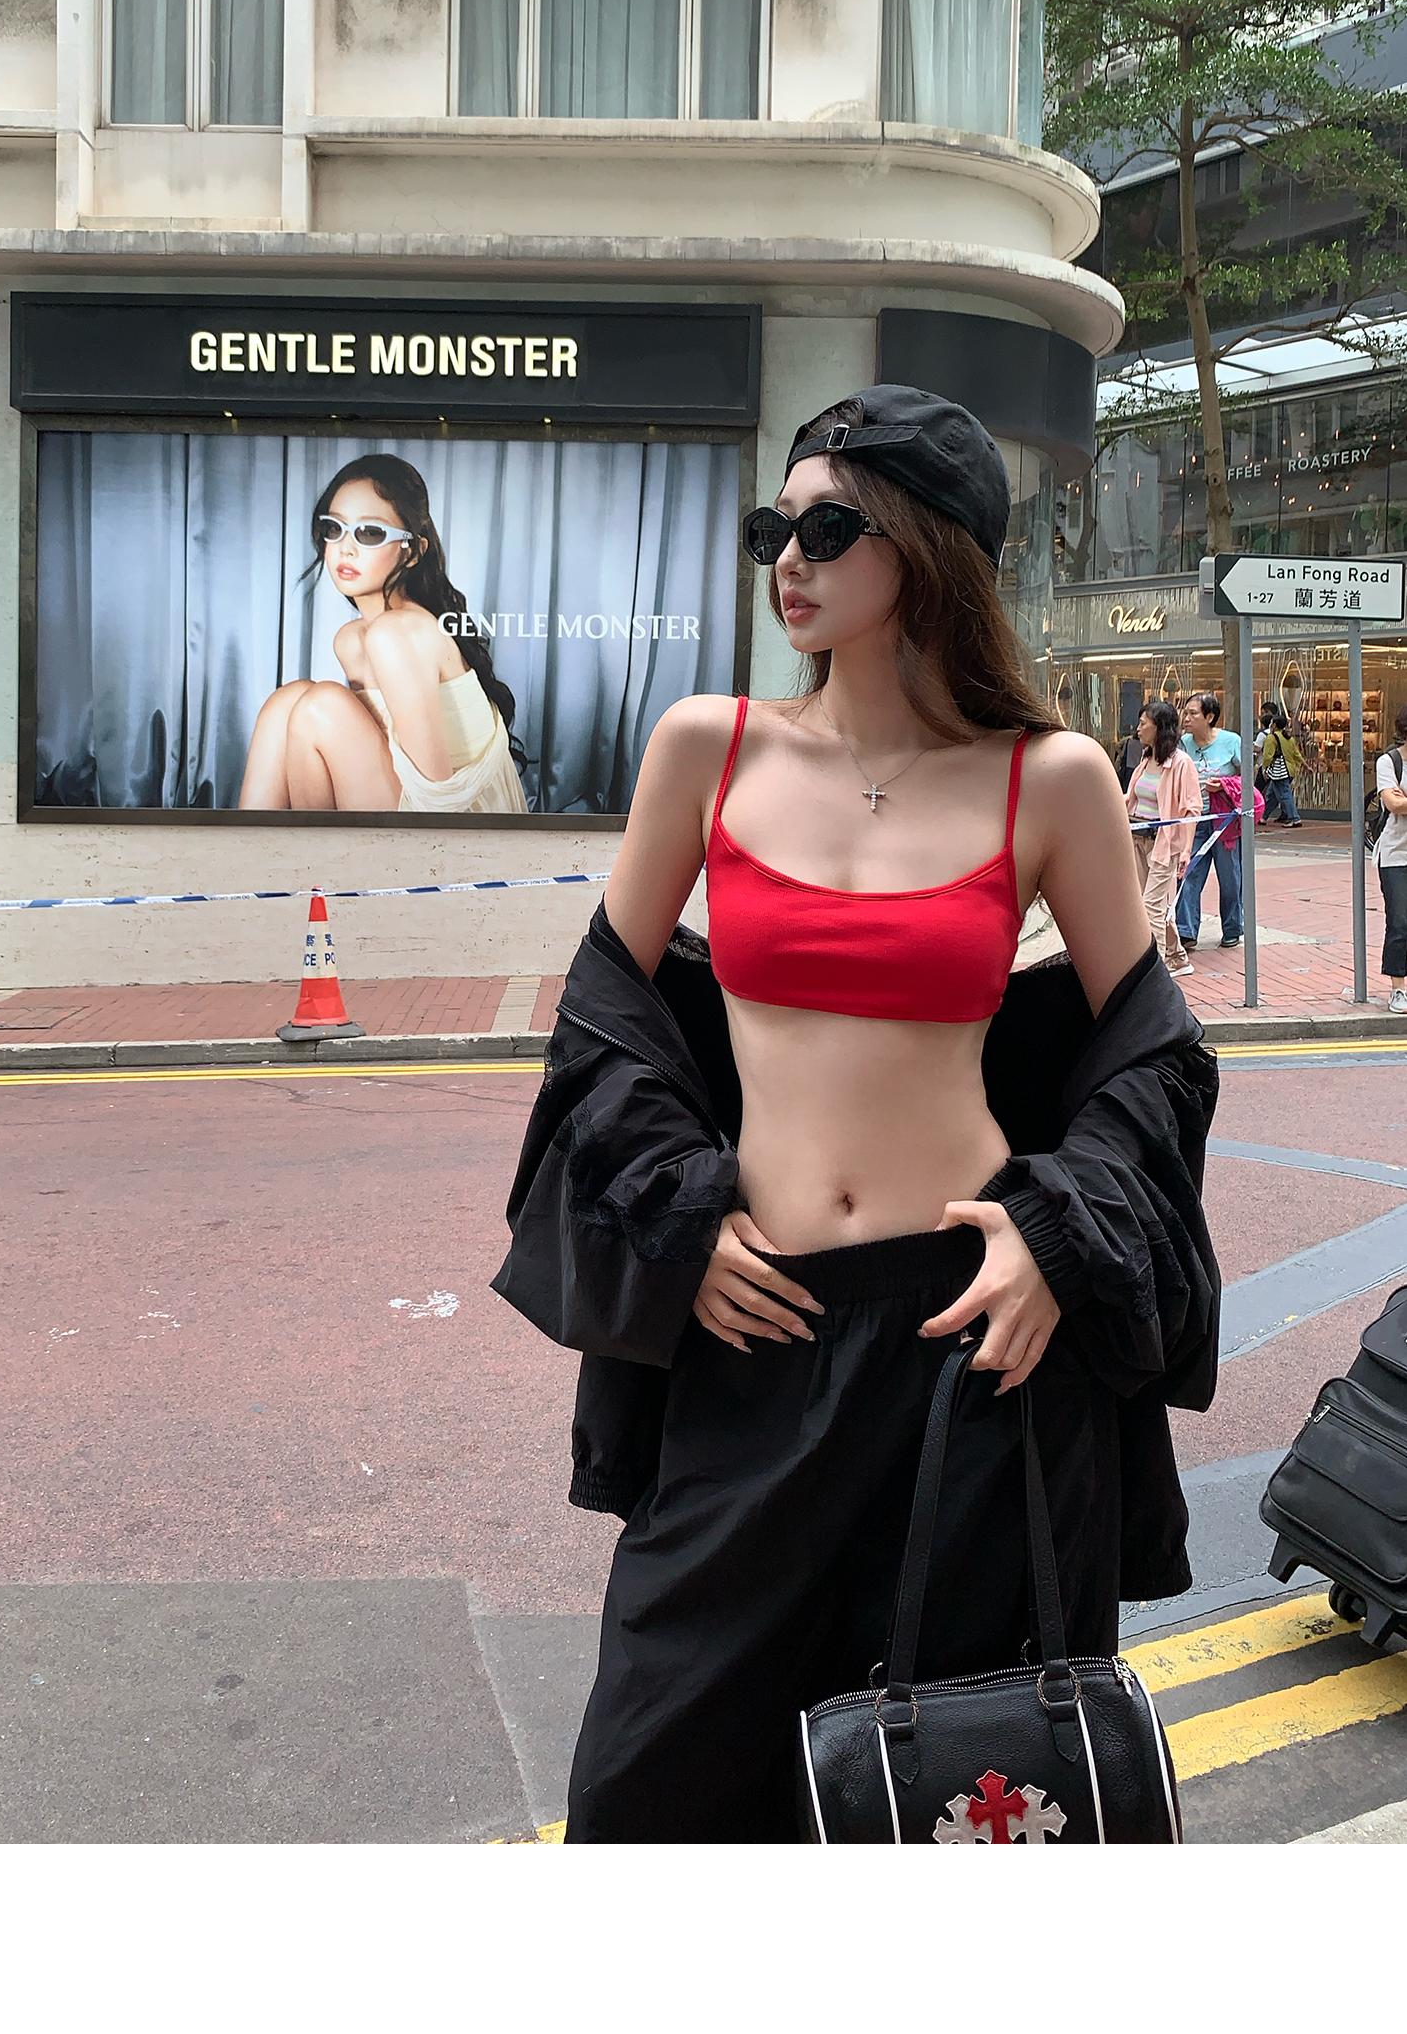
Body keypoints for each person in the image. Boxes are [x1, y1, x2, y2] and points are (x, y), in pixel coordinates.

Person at [494, 385, 1222, 1842]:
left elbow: (1155, 1057)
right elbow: (601, 1022)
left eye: (828, 529)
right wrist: (679, 1216)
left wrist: (1054, 1236)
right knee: (652, 1779)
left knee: (954, 1786)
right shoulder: (707, 747)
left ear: (929, 546)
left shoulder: (1051, 778)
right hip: (755, 1321)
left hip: (974, 1340)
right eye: (775, 528)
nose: (789, 559)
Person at [238, 454, 527, 814]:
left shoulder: (397, 634)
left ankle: (306, 849)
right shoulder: (353, 639)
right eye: (334, 528)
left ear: (412, 552)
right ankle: (253, 848)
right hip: (400, 814)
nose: (345, 548)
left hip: (454, 827)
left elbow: (439, 805)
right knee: (288, 701)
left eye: (370, 533)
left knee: (320, 707)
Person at [1126, 699, 1201, 977]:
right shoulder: (1146, 760)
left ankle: (1155, 972)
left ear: (1159, 727)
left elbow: (1192, 809)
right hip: (1138, 839)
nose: (1138, 728)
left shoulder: (1181, 763)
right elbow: (1132, 798)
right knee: (1150, 904)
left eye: (1143, 723)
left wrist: (1186, 850)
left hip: (1164, 843)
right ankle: (1178, 957)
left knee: (1150, 907)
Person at [1175, 690, 1244, 950]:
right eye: (1186, 713)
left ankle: (1232, 927)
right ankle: (1187, 930)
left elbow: (1247, 778)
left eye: (1193, 714)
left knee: (1230, 877)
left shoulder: (1231, 741)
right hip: (1194, 819)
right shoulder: (1183, 744)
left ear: (1210, 717)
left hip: (1224, 821)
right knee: (1188, 873)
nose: (1186, 718)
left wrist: (1224, 785)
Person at [1375, 701, 1407, 1017]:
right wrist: (1400, 801)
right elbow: (1394, 804)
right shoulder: (1390, 762)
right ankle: (1398, 988)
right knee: (1400, 921)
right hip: (1396, 853)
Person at [1255, 701, 1304, 828]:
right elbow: (1296, 754)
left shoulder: (1271, 738)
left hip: (1279, 771)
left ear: (1275, 725)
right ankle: (1263, 817)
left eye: (1272, 723)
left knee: (1284, 794)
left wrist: (1264, 769)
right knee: (1272, 794)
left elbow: (1268, 756)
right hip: (1289, 770)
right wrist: (1305, 765)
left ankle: (1294, 818)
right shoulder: (1289, 738)